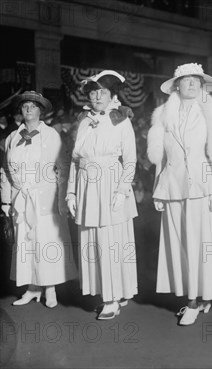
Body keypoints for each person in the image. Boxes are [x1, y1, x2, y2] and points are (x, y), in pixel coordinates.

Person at [147, 63, 212, 326]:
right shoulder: (163, 113)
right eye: (186, 80)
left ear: (202, 84)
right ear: (176, 85)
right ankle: (197, 294)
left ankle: (194, 301)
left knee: (202, 244)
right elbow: (159, 158)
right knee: (181, 244)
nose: (192, 84)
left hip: (202, 188)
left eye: (196, 80)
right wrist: (158, 191)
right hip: (172, 186)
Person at [66, 70, 138, 320]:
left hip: (110, 184)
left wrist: (122, 189)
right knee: (94, 241)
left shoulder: (121, 119)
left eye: (102, 92)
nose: (97, 96)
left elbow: (130, 160)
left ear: (112, 95)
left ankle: (113, 298)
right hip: (87, 186)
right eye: (93, 92)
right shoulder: (84, 120)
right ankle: (107, 291)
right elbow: (75, 160)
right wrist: (71, 193)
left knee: (111, 242)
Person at [0, 91, 77, 308]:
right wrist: (6, 202)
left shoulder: (51, 135)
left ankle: (50, 288)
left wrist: (63, 199)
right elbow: (5, 171)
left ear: (40, 111)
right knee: (26, 243)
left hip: (46, 198)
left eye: (33, 106)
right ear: (20, 111)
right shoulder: (12, 138)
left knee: (47, 242)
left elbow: (62, 167)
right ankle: (32, 288)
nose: (29, 110)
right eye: (25, 106)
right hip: (21, 199)